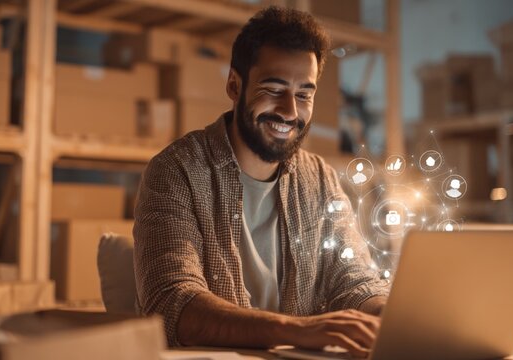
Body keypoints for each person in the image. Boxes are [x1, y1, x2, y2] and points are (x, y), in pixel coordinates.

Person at [133, 6, 389, 358]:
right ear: (235, 86)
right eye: (274, 88)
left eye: (304, 95)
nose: (290, 111)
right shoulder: (176, 171)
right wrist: (298, 330)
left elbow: (354, 283)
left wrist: (392, 317)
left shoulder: (320, 179)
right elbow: (173, 303)